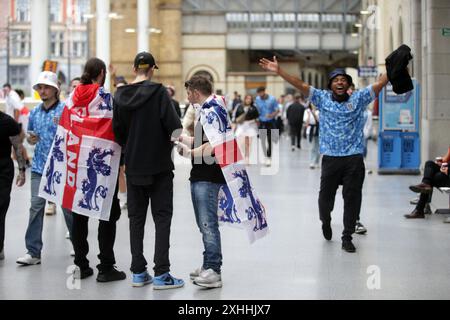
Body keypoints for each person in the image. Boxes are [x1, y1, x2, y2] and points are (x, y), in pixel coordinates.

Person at [259, 56, 389, 253]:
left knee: (352, 198)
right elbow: (300, 84)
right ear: (330, 85)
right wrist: (279, 71)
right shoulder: (322, 98)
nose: (340, 82)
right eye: (336, 80)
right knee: (325, 199)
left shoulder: (358, 98)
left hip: (353, 158)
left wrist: (393, 65)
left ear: (348, 85)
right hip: (330, 158)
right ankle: (325, 220)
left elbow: (379, 84)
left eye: (343, 80)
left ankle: (347, 236)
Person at [113, 51, 184, 289]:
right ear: (153, 69)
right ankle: (162, 274)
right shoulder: (159, 93)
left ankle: (138, 272)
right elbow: (175, 128)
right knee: (162, 218)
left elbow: (118, 132)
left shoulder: (120, 96)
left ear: (134, 69)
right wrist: (173, 143)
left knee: (136, 219)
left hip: (133, 167)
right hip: (160, 166)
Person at [61, 58, 126, 282]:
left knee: (79, 212)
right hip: (103, 162)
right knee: (107, 213)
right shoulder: (105, 97)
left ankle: (81, 264)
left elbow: (64, 127)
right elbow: (117, 125)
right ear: (101, 73)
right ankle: (106, 267)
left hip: (77, 162)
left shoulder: (71, 98)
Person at [16, 71, 74, 265]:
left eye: (46, 87)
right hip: (40, 167)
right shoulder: (34, 113)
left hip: (62, 168)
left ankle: (78, 245)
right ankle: (33, 252)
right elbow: (31, 138)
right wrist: (31, 140)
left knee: (68, 209)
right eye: (39, 87)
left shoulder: (66, 111)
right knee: (35, 207)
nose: (42, 90)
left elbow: (73, 136)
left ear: (55, 90)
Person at [175, 75, 226, 288]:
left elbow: (215, 145)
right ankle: (207, 264)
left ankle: (214, 269)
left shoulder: (212, 111)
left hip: (209, 176)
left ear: (195, 92)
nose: (187, 97)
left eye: (188, 93)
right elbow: (200, 140)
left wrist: (189, 153)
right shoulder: (203, 113)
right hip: (199, 174)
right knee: (202, 224)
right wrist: (180, 138)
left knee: (208, 225)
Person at [0, 111, 26, 260]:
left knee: (1, 206)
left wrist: (22, 170)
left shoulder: (7, 121)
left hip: (3, 169)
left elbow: (18, 147)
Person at [404, 146, 450, 219]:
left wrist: (447, 171)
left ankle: (419, 210)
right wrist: (441, 163)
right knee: (429, 164)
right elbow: (446, 159)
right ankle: (425, 184)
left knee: (431, 178)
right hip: (446, 170)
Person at [255, 86, 279, 166]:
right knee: (262, 140)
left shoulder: (272, 99)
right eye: (258, 93)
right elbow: (257, 110)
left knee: (269, 140)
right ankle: (265, 156)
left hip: (270, 122)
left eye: (260, 92)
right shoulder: (257, 99)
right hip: (261, 122)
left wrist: (272, 115)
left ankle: (269, 157)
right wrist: (256, 119)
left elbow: (277, 110)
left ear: (264, 91)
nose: (259, 95)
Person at [233, 94, 259, 164]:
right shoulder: (239, 106)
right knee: (240, 143)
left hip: (251, 126)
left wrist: (253, 121)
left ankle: (247, 158)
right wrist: (234, 126)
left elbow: (257, 117)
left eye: (250, 99)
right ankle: (243, 155)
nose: (248, 100)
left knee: (248, 144)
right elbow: (235, 117)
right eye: (247, 98)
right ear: (244, 99)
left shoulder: (254, 108)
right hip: (241, 126)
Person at [304, 103, 320, 168]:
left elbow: (320, 121)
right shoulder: (307, 111)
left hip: (318, 130)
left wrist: (314, 114)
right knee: (312, 147)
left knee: (318, 147)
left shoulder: (319, 111)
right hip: (310, 130)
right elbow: (306, 123)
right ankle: (311, 162)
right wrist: (308, 115)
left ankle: (316, 162)